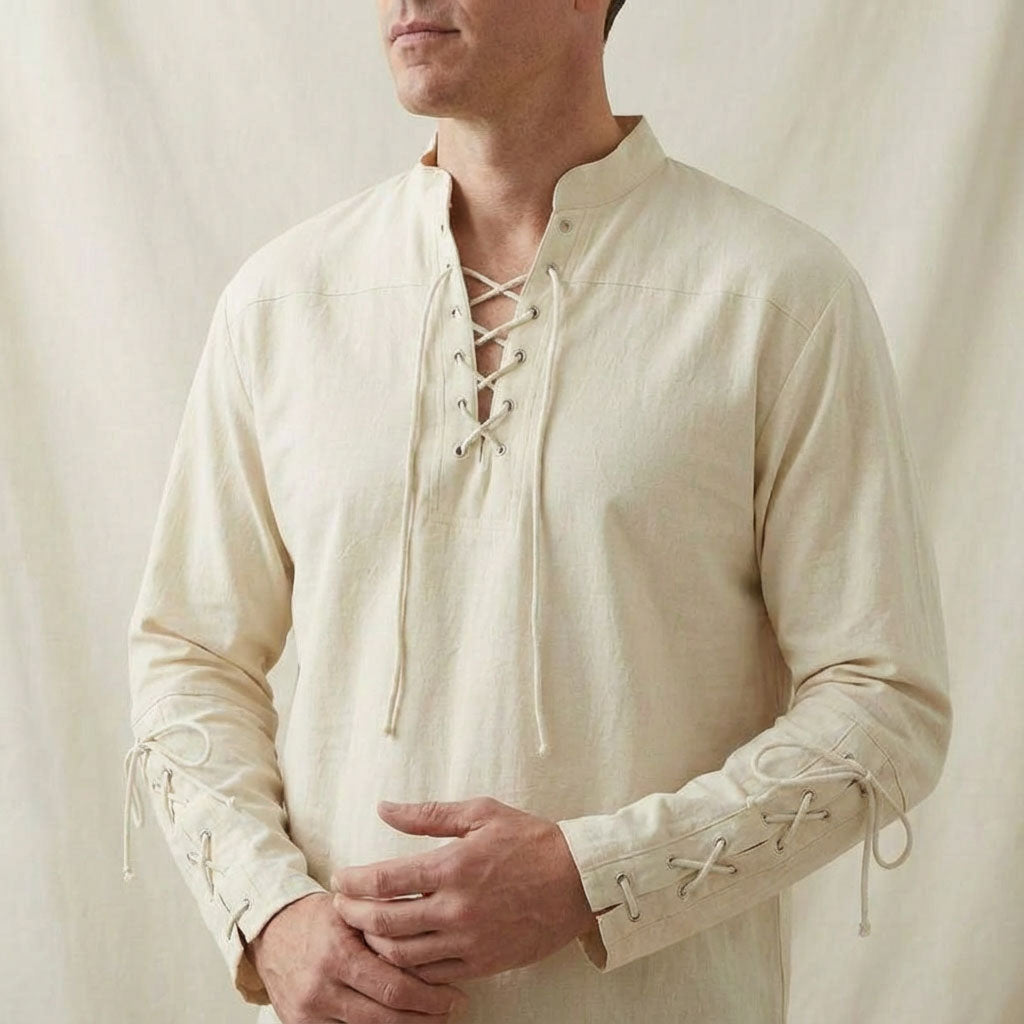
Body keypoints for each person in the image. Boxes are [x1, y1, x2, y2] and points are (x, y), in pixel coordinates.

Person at [121, 1, 953, 1022]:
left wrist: (595, 878)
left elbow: (883, 700)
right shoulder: (283, 305)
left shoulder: (775, 298)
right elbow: (188, 654)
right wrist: (271, 915)